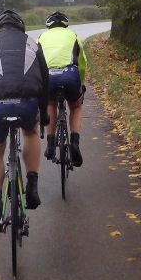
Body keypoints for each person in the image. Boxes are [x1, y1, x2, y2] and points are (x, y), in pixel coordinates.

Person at [0, 9, 49, 233]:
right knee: (30, 133)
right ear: (21, 27)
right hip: (27, 103)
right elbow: (45, 82)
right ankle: (32, 186)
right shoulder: (33, 43)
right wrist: (43, 113)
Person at [38, 10, 87, 167]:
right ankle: (74, 142)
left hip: (49, 77)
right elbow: (83, 62)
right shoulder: (73, 35)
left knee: (50, 104)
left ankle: (51, 143)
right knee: (76, 106)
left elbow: (36, 63)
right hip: (70, 74)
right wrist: (81, 83)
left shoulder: (42, 37)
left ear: (48, 25)